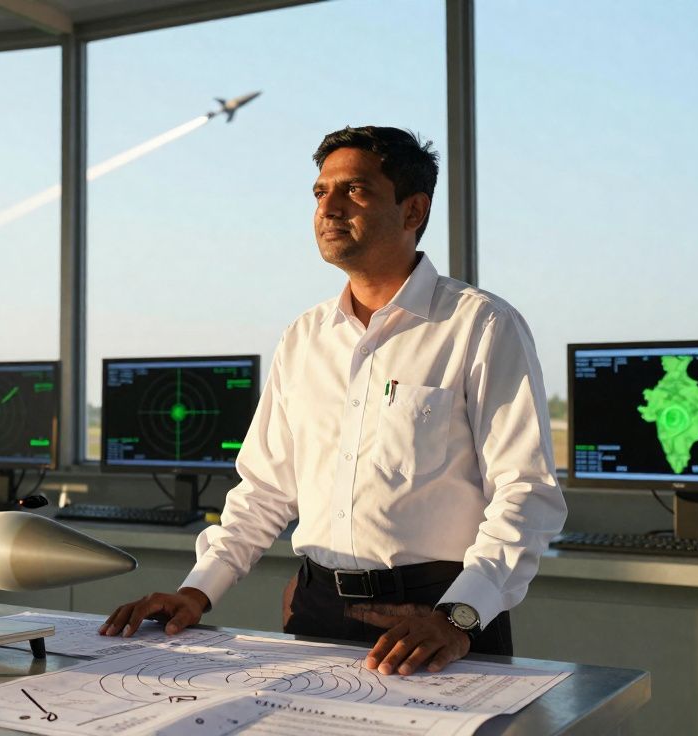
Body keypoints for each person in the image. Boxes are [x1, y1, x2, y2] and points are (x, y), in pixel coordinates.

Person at [99, 125, 567, 677]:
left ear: (413, 210)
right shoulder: (305, 337)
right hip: (317, 609)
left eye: (355, 190)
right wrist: (196, 592)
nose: (329, 207)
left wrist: (460, 616)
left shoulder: (480, 326)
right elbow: (265, 489)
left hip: (438, 619)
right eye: (321, 192)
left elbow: (526, 493)